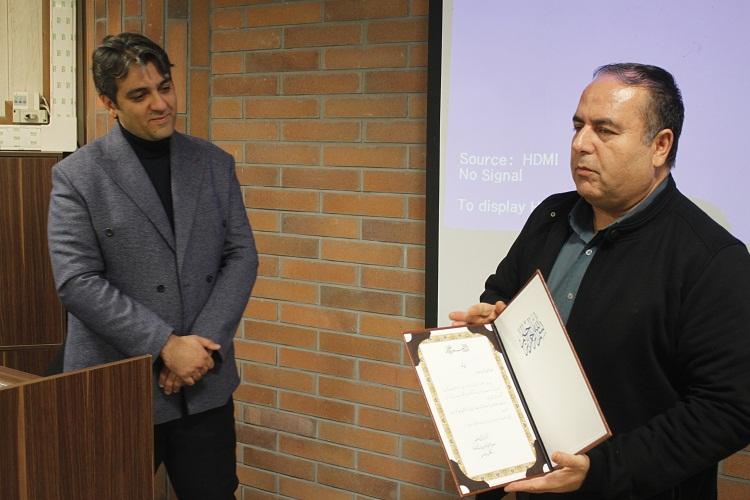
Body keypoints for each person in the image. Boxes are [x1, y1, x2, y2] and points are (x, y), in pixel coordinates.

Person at [450, 63, 750, 499]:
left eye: (604, 131)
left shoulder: (710, 258)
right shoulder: (550, 216)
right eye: (578, 126)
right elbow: (499, 293)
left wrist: (601, 471)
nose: (580, 144)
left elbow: (728, 410)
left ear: (660, 146)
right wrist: (491, 320)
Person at [47, 33, 258, 499]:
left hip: (204, 382)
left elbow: (241, 255)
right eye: (140, 95)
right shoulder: (78, 176)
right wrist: (164, 345)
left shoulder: (213, 163)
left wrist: (199, 350)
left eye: (165, 87)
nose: (160, 104)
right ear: (109, 102)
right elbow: (77, 281)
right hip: (115, 384)